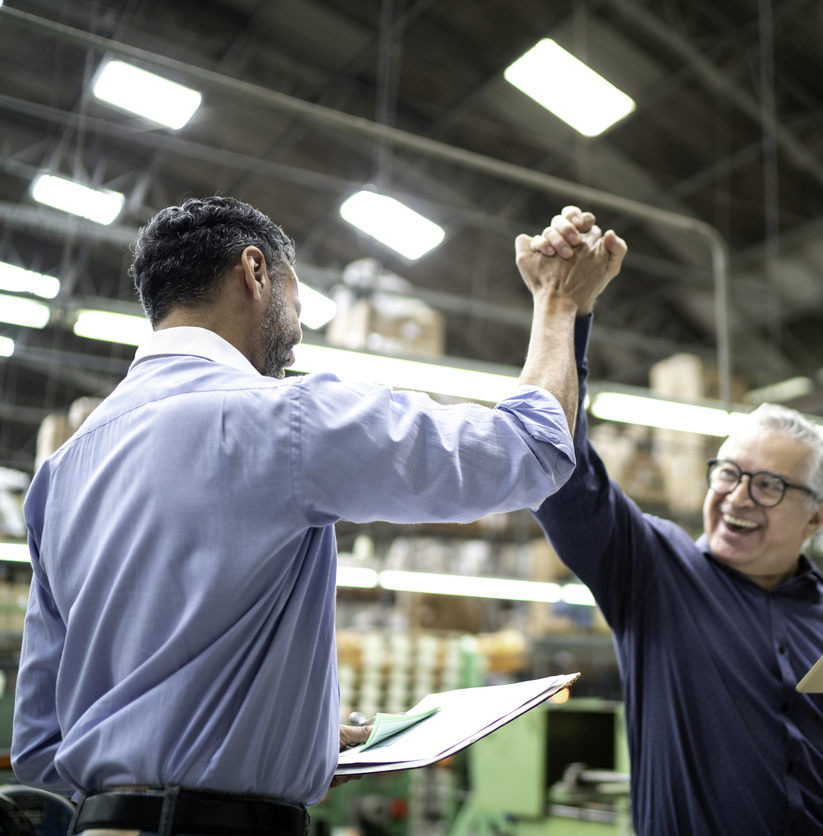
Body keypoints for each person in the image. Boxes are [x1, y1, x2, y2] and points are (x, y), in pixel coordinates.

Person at [13, 196, 625, 833]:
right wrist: (559, 301)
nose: (297, 335)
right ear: (255, 272)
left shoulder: (61, 473)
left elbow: (39, 745)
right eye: (296, 302)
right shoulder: (284, 419)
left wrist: (275, 743)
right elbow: (532, 450)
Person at [526, 208, 823, 835]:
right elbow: (558, 473)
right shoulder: (652, 574)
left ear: (818, 516)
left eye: (769, 485)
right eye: (727, 473)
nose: (737, 497)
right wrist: (565, 309)